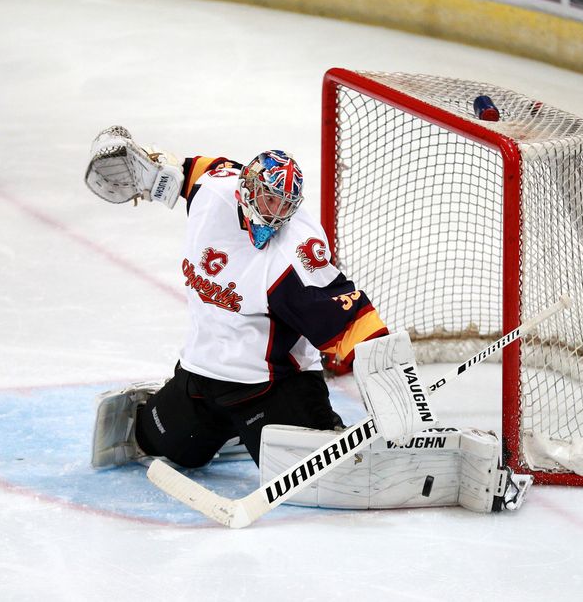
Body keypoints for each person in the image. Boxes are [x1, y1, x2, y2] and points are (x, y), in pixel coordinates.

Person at [85, 126, 531, 513]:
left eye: (285, 204)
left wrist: (400, 401)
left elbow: (353, 324)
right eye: (266, 198)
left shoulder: (296, 255)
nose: (274, 213)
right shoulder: (214, 191)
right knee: (156, 444)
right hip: (202, 378)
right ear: (244, 188)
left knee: (334, 477)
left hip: (272, 388)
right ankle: (238, 435)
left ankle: (457, 463)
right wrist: (147, 172)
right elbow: (188, 171)